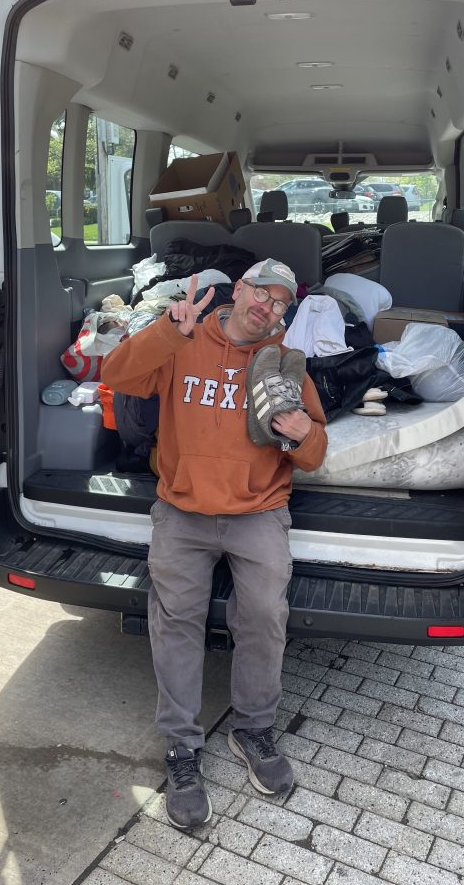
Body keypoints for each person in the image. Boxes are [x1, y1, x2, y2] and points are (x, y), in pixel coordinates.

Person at [101, 258, 328, 830]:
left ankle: (253, 729)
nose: (266, 307)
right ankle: (181, 747)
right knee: (176, 621)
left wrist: (304, 435)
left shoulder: (284, 364)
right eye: (260, 292)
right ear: (239, 289)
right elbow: (119, 375)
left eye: (280, 303)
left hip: (259, 512)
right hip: (183, 510)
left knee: (263, 617)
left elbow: (317, 452)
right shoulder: (182, 340)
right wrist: (163, 331)